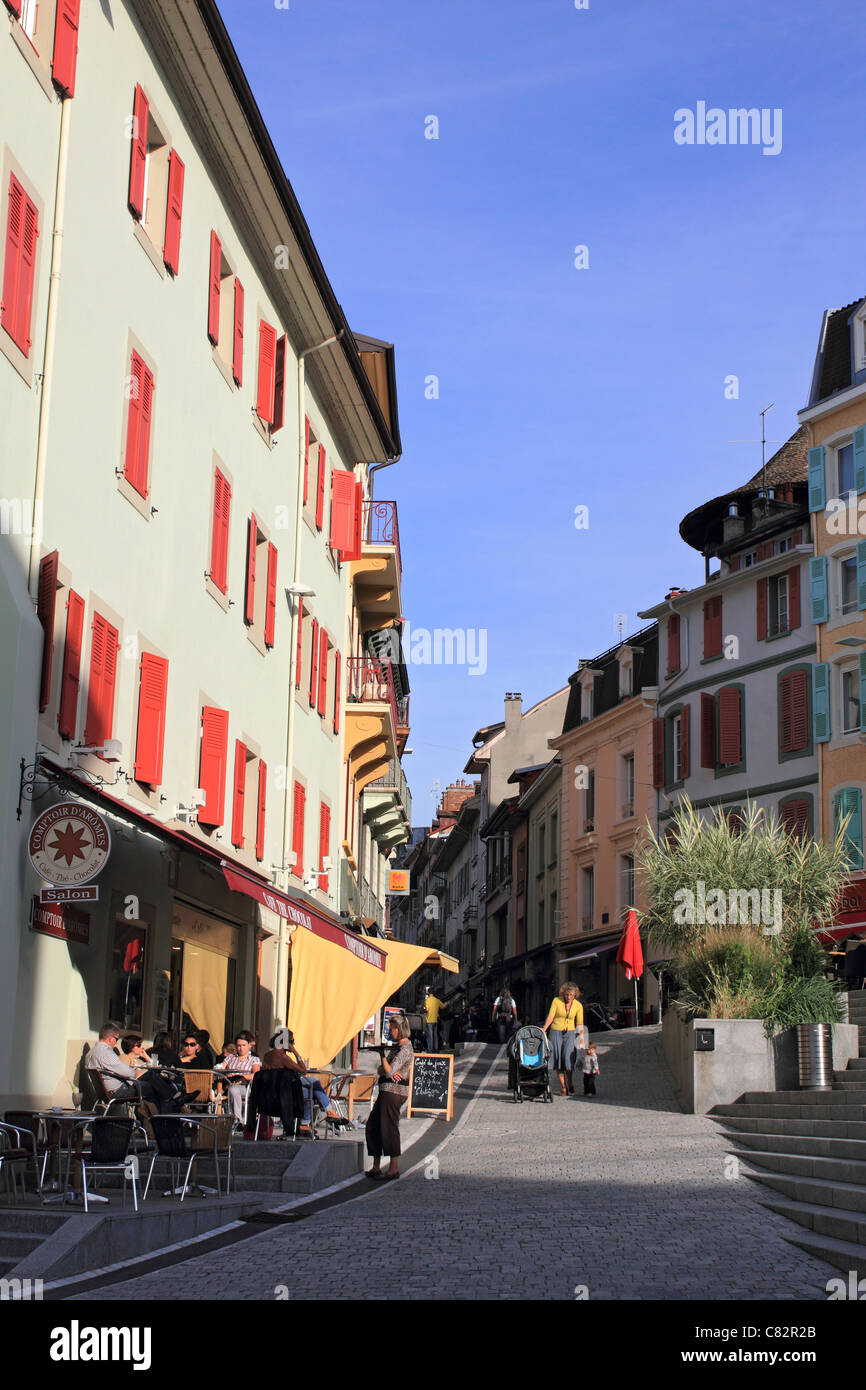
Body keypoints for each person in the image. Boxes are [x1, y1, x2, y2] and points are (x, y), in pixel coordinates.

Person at [87, 1023, 188, 1110]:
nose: (116, 1042)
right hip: (118, 1091)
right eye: (116, 1039)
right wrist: (135, 1072)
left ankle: (173, 1101)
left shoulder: (91, 1053)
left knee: (153, 1081)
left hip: (107, 1091)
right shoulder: (105, 1053)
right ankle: (162, 1120)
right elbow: (127, 1072)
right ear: (110, 1039)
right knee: (154, 1086)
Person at [260, 1032, 348, 1131]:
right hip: (284, 1093)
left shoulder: (267, 1055)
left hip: (272, 1093)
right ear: (286, 1043)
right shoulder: (282, 1057)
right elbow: (304, 1070)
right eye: (292, 1042)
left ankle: (305, 1125)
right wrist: (295, 1052)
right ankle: (329, 1111)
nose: (293, 1044)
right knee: (314, 1081)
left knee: (307, 1091)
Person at [366, 1013, 413, 1180]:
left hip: (395, 1092)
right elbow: (383, 1070)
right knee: (373, 1125)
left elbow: (389, 1070)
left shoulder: (406, 1049)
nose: (389, 1032)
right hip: (386, 1089)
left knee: (389, 1127)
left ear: (399, 1029)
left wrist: (383, 1057)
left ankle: (393, 1168)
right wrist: (387, 1068)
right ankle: (376, 1166)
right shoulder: (396, 1048)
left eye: (391, 1029)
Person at [542, 981, 584, 1096]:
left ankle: (570, 1081)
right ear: (563, 993)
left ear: (575, 995)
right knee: (557, 1059)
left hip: (570, 1032)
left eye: (571, 995)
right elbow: (551, 1016)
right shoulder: (556, 1001)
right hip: (555, 1031)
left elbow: (580, 1023)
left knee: (568, 1058)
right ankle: (564, 1087)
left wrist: (581, 1037)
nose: (569, 997)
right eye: (567, 995)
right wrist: (545, 1028)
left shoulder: (578, 1005)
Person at [215, 1031, 261, 1125]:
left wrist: (244, 1077)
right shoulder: (231, 1057)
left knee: (233, 1089)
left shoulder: (253, 1059)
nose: (241, 1048)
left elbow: (256, 1074)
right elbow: (221, 1067)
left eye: (243, 1045)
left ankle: (237, 1120)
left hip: (246, 1086)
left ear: (249, 1046)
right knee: (230, 1089)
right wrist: (220, 1068)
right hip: (229, 1084)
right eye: (239, 1045)